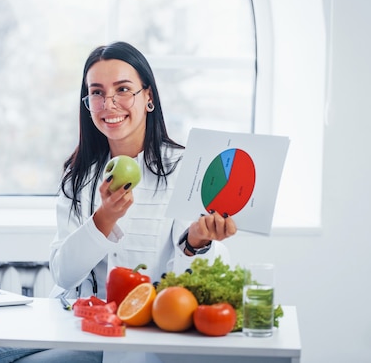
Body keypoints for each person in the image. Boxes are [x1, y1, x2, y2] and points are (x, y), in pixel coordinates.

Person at [49, 41, 238, 304]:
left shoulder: (185, 169)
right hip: (83, 328)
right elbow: (63, 276)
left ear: (148, 96)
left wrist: (195, 243)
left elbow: (189, 290)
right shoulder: (78, 175)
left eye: (123, 89)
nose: (109, 104)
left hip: (153, 332)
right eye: (97, 93)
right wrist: (103, 219)